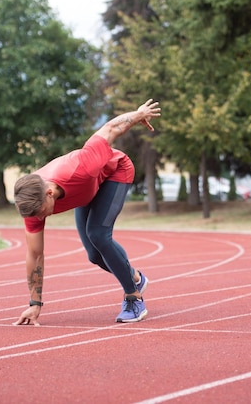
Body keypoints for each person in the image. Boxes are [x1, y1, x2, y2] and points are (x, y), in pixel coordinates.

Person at [12, 99, 161, 325]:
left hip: (114, 173)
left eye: (42, 212)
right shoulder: (32, 203)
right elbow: (35, 254)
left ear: (49, 194)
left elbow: (110, 129)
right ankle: (135, 278)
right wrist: (35, 304)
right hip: (87, 191)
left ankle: (133, 297)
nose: (40, 218)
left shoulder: (82, 166)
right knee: (94, 255)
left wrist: (139, 114)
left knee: (98, 234)